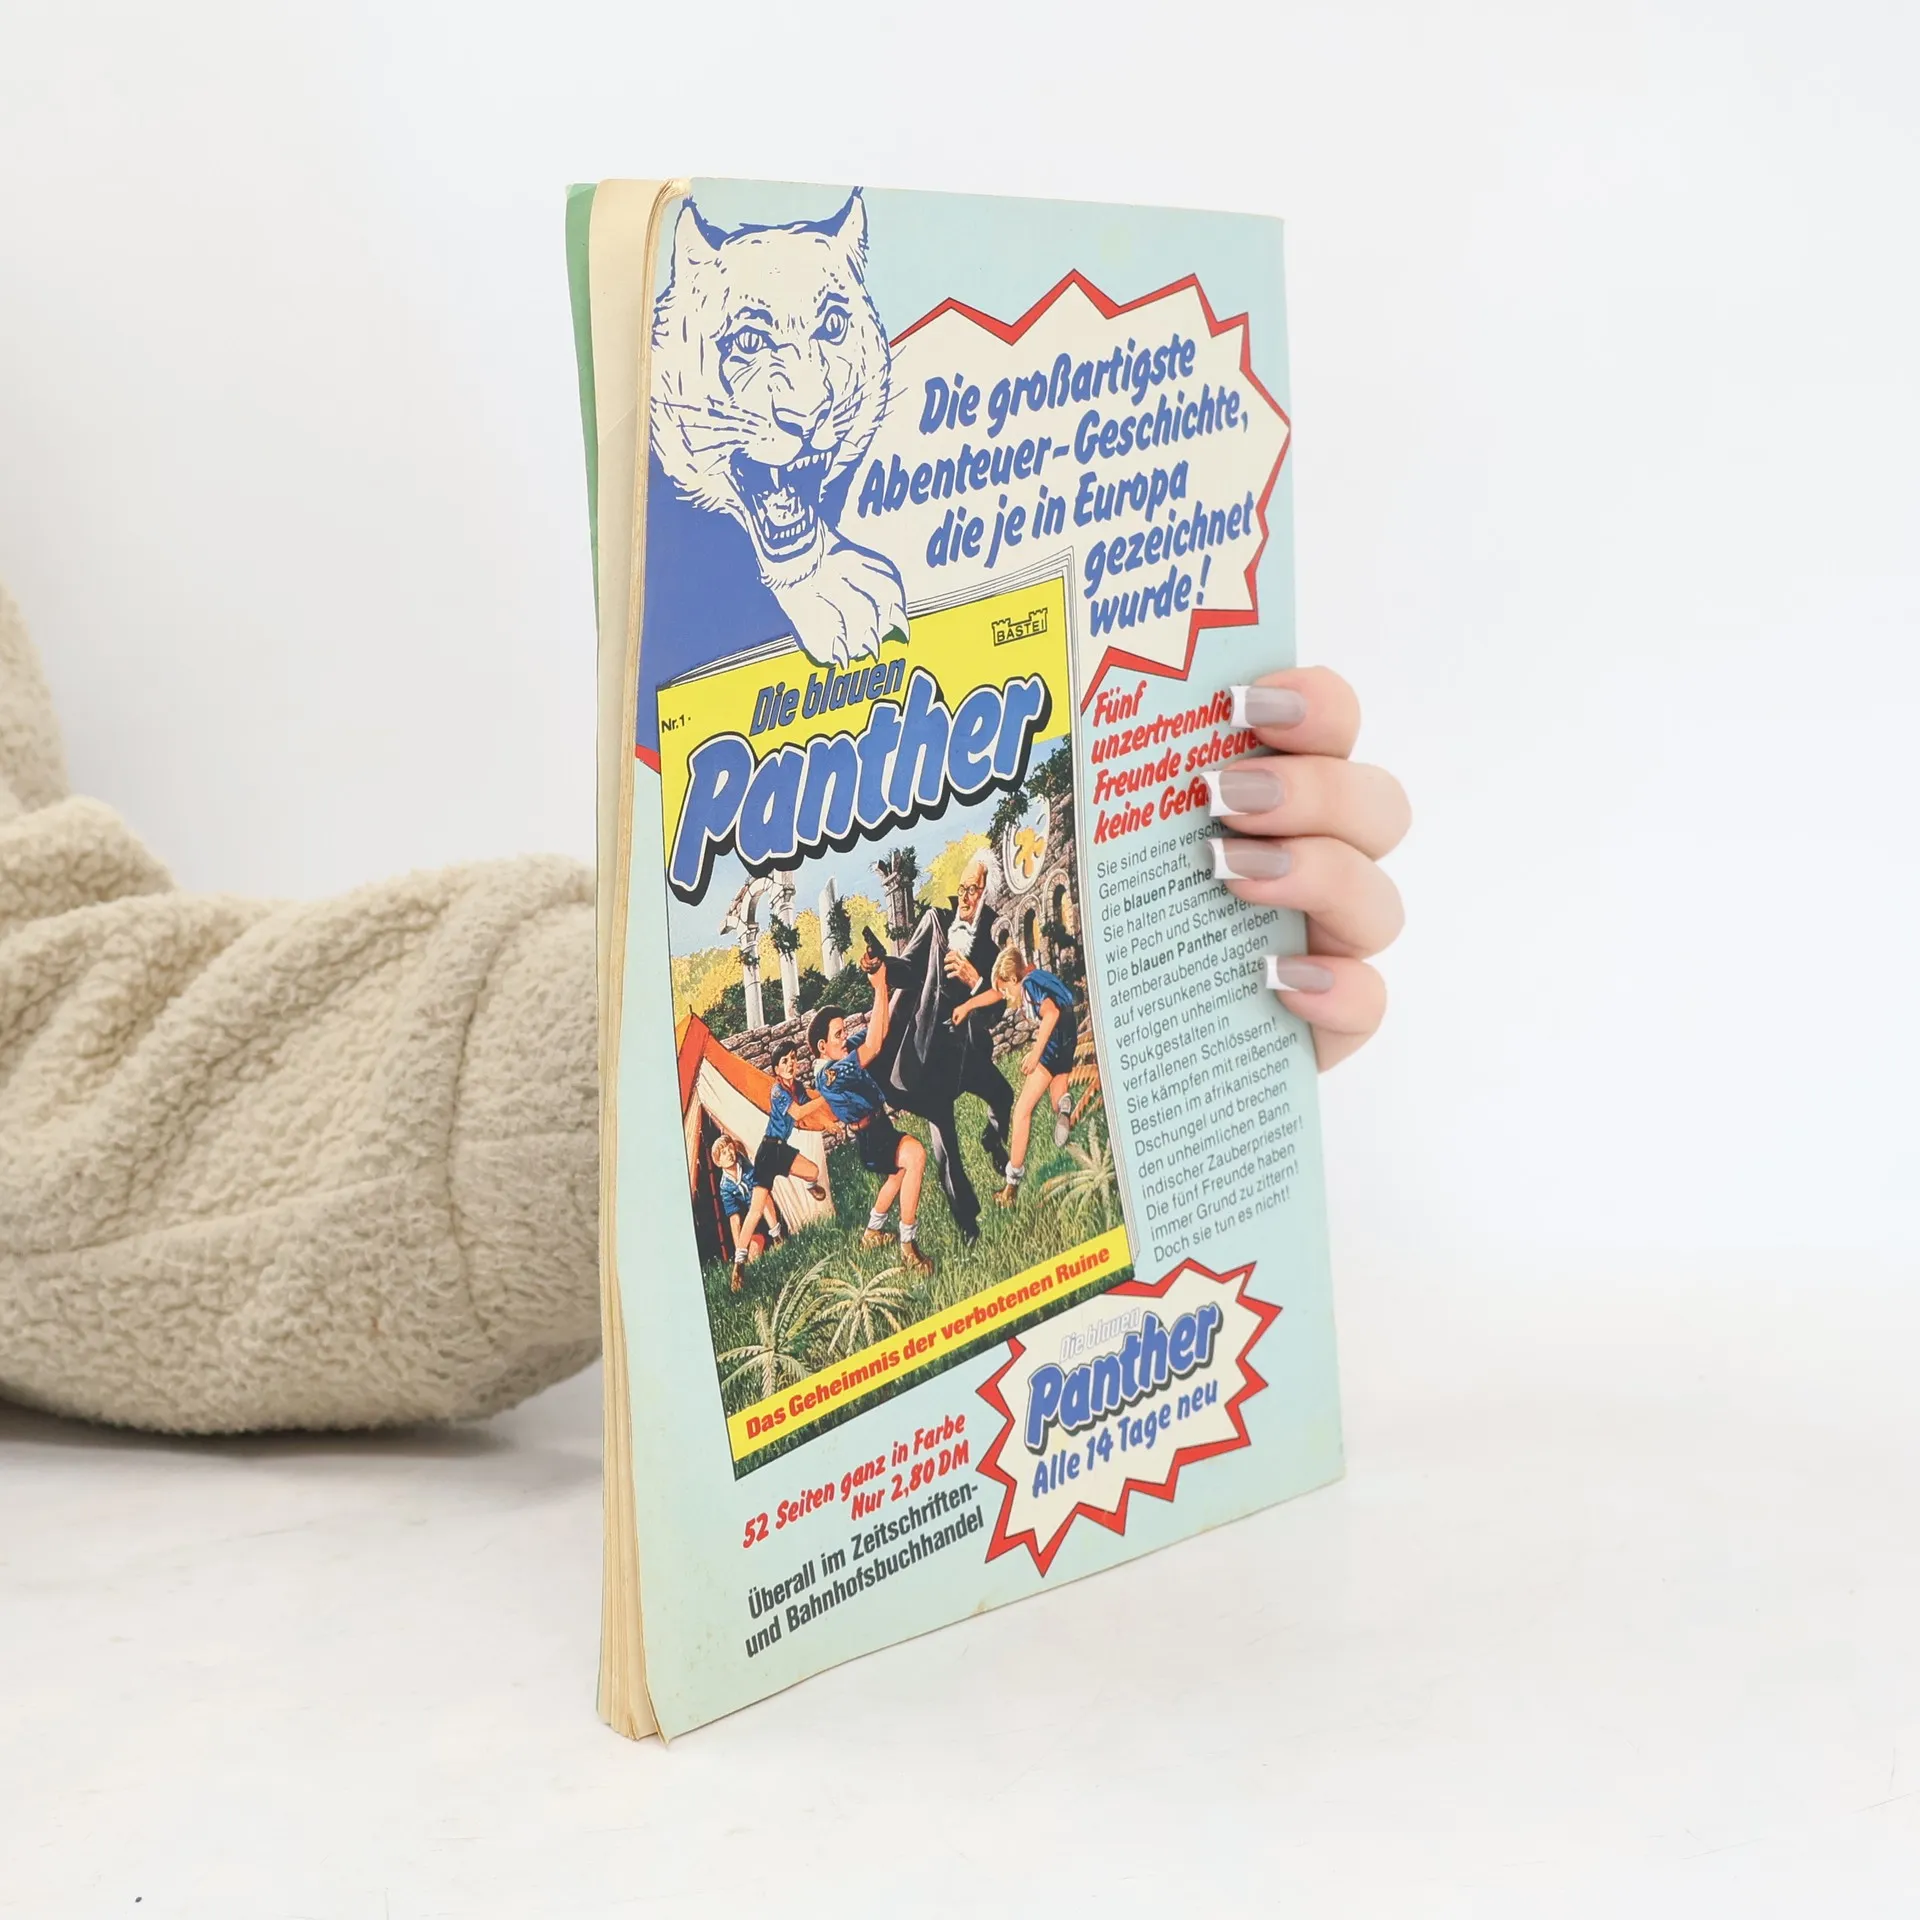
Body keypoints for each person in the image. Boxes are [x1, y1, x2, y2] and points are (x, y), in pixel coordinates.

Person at [0, 563, 1407, 1431]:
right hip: (807, 1096)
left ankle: (929, 1207)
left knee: (929, 1136)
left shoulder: (910, 963)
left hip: (793, 1092)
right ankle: (897, 1217)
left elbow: (35, 1016)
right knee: (910, 1143)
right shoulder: (854, 997)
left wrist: (1141, 971)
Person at [790, 950, 935, 1277]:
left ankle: (872, 1232)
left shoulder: (838, 1057)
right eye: (838, 1034)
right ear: (822, 1047)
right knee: (915, 1157)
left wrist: (882, 983)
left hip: (878, 1130)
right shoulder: (829, 1074)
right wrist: (880, 986)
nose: (845, 1038)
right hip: (872, 1137)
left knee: (898, 1175)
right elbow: (873, 1046)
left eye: (844, 1031)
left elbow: (878, 1031)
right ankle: (908, 1246)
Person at [950, 948, 1081, 1207]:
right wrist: (967, 1005)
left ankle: (1011, 1187)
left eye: (1007, 990)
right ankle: (1063, 1105)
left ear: (1013, 979)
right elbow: (996, 993)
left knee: (1021, 1111)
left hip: (1054, 1039)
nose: (1007, 997)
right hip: (1069, 1035)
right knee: (1056, 1093)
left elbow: (1051, 1014)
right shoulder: (1032, 975)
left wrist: (1035, 1053)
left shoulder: (1029, 986)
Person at [751, 1042, 829, 1205]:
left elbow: (810, 1108)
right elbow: (798, 1112)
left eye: (793, 1058)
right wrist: (824, 1097)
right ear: (776, 1070)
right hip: (768, 1151)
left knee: (813, 1171)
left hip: (781, 1148)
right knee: (757, 1209)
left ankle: (811, 1186)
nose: (790, 1063)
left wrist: (828, 1123)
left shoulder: (798, 1087)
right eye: (784, 1061)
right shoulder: (777, 1091)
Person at [710, 1134, 782, 1291]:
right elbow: (734, 1219)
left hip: (764, 1212)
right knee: (754, 1254)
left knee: (762, 1197)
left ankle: (777, 1237)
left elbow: (760, 1190)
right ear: (718, 1162)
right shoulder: (725, 1186)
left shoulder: (746, 1166)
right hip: (752, 1222)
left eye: (730, 1149)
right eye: (724, 1153)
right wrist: (740, 1251)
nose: (729, 1154)